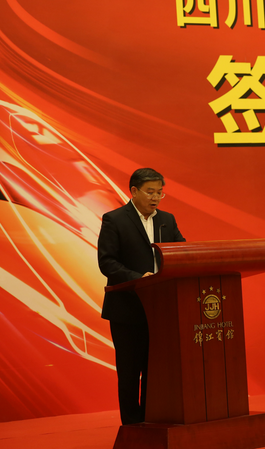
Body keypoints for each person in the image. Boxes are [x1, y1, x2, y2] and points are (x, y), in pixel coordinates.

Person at [97, 168, 185, 425]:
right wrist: (138, 278)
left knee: (155, 370)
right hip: (127, 308)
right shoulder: (114, 219)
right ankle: (132, 428)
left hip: (161, 308)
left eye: (160, 192)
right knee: (129, 371)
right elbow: (107, 262)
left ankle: (152, 419)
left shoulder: (167, 220)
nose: (156, 197)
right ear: (134, 191)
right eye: (150, 192)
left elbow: (182, 252)